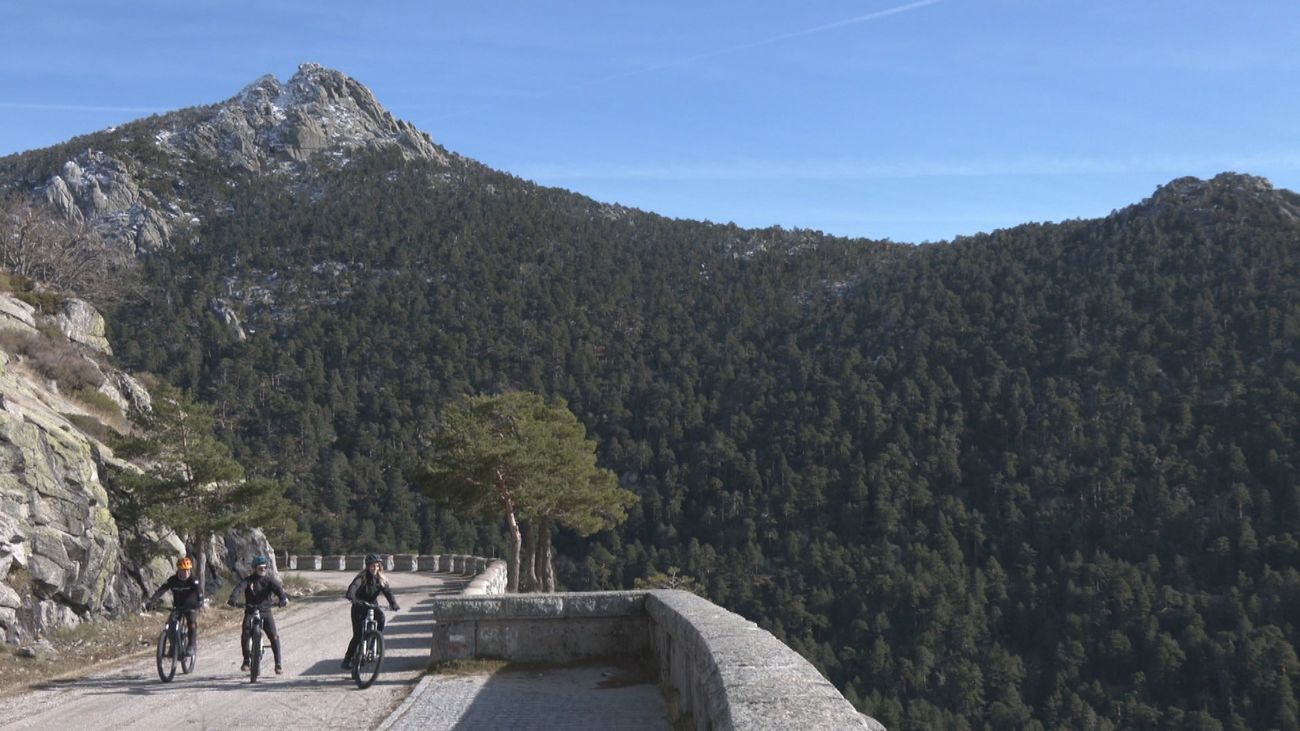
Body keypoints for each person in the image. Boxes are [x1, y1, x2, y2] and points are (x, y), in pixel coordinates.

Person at [226, 555, 289, 674]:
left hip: (266, 611)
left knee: (274, 636)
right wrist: (232, 599)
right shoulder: (248, 580)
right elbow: (239, 589)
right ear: (254, 568)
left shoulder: (269, 581)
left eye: (265, 568)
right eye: (260, 568)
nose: (263, 570)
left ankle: (278, 663)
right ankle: (246, 661)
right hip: (250, 610)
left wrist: (283, 599)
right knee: (245, 634)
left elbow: (279, 590)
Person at [341, 553, 399, 669]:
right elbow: (353, 587)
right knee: (358, 634)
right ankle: (347, 659)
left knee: (381, 618)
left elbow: (388, 592)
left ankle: (375, 639)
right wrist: (351, 596)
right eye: (373, 566)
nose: (375, 568)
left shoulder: (380, 579)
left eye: (377, 566)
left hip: (372, 605)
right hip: (359, 606)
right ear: (367, 566)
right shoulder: (361, 577)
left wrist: (393, 603)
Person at [146, 556, 203, 653]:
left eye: (187, 570)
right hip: (178, 606)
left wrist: (200, 602)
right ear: (178, 570)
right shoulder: (173, 580)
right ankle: (174, 646)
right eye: (183, 570)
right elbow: (162, 590)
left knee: (191, 622)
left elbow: (199, 592)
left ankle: (191, 645)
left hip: (191, 606)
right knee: (170, 626)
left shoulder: (193, 580)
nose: (185, 573)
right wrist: (153, 600)